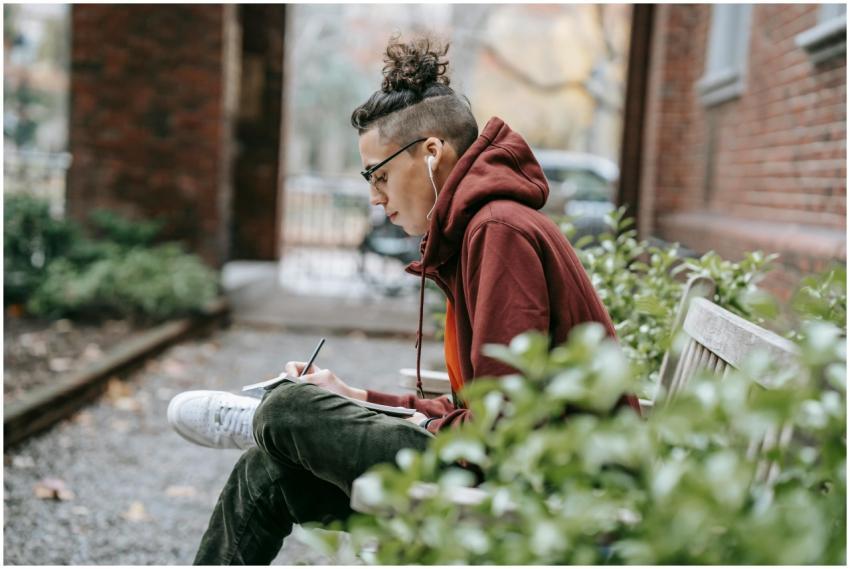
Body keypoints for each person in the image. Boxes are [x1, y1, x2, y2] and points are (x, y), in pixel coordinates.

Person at [168, 35, 639, 565]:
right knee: (267, 472)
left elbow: (505, 430)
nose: (374, 195)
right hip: (504, 468)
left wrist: (337, 417)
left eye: (380, 174)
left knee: (290, 409)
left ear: (433, 153)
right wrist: (356, 397)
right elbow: (479, 413)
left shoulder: (499, 230)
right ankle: (277, 427)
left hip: (548, 490)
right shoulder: (479, 232)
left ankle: (272, 419)